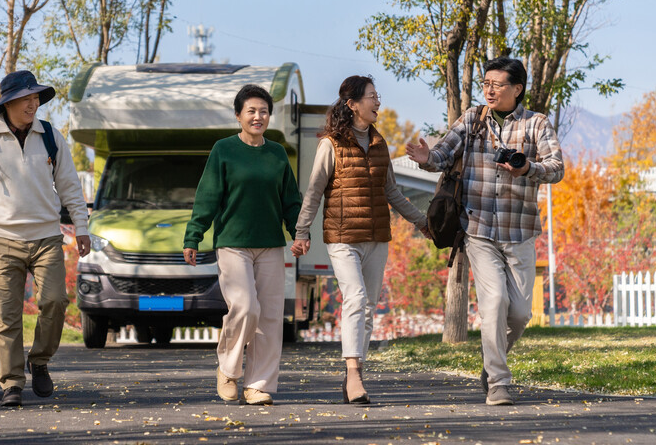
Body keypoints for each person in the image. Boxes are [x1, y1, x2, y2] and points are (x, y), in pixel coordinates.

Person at [405, 57, 564, 406]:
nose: (490, 90)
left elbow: (556, 169)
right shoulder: (473, 118)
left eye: (498, 84)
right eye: (486, 83)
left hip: (519, 229)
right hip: (477, 228)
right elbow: (443, 155)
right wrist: (425, 157)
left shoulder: (536, 124)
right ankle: (499, 382)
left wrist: (528, 168)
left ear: (517, 89)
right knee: (493, 303)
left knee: (520, 313)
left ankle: (493, 362)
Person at [0, 70, 91, 407]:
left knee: (55, 301)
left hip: (47, 238)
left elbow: (69, 186)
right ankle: (11, 382)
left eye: (36, 97)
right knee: (6, 315)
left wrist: (81, 227)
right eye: (27, 97)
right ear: (8, 103)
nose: (33, 103)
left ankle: (39, 361)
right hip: (1, 240)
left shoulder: (51, 136)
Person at [290, 75, 430, 404]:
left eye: (377, 96)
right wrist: (301, 231)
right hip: (342, 237)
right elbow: (314, 191)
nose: (378, 102)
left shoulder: (380, 144)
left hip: (377, 236)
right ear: (353, 104)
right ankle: (353, 374)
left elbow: (391, 192)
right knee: (354, 299)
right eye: (371, 96)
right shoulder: (331, 144)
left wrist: (422, 222)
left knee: (367, 308)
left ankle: (357, 370)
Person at [183, 84, 301, 406]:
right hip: (233, 243)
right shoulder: (223, 150)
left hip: (270, 245)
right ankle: (229, 369)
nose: (258, 116)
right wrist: (194, 235)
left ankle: (257, 385)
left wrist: (299, 232)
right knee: (246, 308)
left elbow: (290, 201)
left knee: (270, 318)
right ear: (238, 116)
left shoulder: (277, 153)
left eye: (263, 111)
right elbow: (208, 197)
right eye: (251, 110)